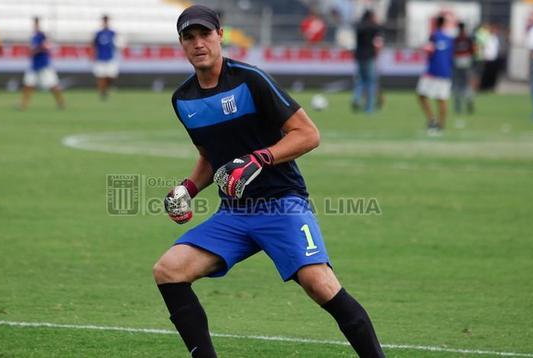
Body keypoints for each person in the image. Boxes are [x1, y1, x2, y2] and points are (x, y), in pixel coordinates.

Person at [154, 5, 385, 358]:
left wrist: (261, 158)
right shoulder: (183, 100)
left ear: (220, 35)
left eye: (205, 34)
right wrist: (188, 189)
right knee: (169, 270)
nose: (199, 43)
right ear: (182, 44)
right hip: (233, 213)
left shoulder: (250, 80)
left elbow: (308, 134)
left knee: (320, 285)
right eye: (190, 37)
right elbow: (208, 156)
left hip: (281, 203)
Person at [416, 15, 454, 135]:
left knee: (421, 95)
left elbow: (428, 50)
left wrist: (420, 48)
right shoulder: (449, 38)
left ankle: (432, 119)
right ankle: (441, 125)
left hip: (432, 71)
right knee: (442, 99)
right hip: (446, 72)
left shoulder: (434, 35)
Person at [19, 17, 64, 110]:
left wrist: (34, 51)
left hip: (43, 64)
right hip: (34, 65)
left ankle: (61, 102)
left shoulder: (42, 35)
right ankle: (24, 104)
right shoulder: (33, 37)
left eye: (36, 23)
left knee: (52, 84)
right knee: (28, 84)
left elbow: (45, 47)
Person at [352, 9, 383, 114]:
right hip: (369, 56)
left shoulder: (359, 26)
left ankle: (356, 98)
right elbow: (378, 40)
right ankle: (369, 108)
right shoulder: (374, 27)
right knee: (370, 82)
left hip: (359, 56)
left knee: (360, 80)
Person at [93, 15, 118, 100]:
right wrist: (92, 55)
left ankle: (105, 89)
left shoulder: (113, 33)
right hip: (100, 57)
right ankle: (102, 92)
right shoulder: (98, 33)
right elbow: (94, 45)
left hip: (110, 57)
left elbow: (116, 44)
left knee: (110, 76)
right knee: (101, 76)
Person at [452, 22, 475, 114]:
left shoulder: (456, 39)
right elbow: (473, 51)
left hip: (457, 62)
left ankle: (458, 104)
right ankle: (469, 100)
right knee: (466, 84)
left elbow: (452, 51)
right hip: (467, 62)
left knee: (457, 84)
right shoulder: (468, 39)